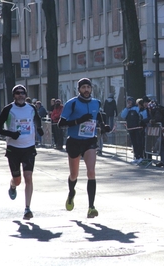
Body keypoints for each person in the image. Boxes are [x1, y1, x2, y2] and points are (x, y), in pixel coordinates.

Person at [58, 78, 108, 219]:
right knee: (74, 175)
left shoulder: (96, 103)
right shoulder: (72, 103)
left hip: (89, 141)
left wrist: (104, 127)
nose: (86, 90)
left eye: (88, 87)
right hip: (74, 141)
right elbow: (60, 124)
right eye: (83, 87)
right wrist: (79, 121)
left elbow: (97, 117)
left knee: (91, 172)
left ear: (91, 89)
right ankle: (71, 192)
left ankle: (91, 207)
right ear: (79, 89)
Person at [0, 84, 44, 220]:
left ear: (25, 95)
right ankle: (12, 185)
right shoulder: (8, 109)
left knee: (29, 178)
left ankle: (27, 208)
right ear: (14, 96)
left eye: (23, 93)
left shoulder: (31, 108)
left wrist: (39, 129)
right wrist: (11, 133)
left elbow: (37, 120)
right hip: (13, 149)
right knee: (18, 180)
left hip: (29, 147)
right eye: (17, 93)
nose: (20, 95)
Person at [121, 96, 143, 164]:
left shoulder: (136, 108)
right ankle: (136, 157)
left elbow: (141, 114)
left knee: (138, 143)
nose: (129, 103)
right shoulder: (127, 109)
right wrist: (127, 108)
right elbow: (122, 116)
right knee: (134, 143)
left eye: (130, 101)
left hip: (137, 129)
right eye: (128, 101)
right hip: (131, 129)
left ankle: (141, 157)